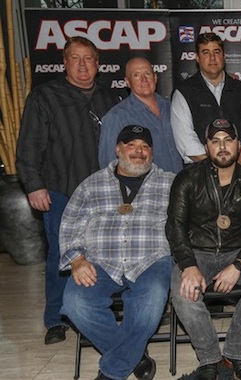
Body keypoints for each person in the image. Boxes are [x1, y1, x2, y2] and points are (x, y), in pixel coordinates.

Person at [16, 36, 120, 345]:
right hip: (63, 192)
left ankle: (97, 308)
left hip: (106, 195)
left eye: (89, 58)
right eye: (76, 58)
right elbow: (29, 146)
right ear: (65, 62)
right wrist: (34, 186)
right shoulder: (45, 96)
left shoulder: (110, 97)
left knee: (106, 254)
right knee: (61, 257)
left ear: (98, 63)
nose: (83, 65)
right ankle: (56, 319)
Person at [59, 125, 174, 380]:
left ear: (152, 153)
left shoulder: (170, 183)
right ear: (118, 149)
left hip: (151, 259)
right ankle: (134, 355)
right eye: (131, 145)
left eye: (145, 147)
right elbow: (70, 224)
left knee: (152, 300)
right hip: (101, 261)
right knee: (75, 302)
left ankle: (113, 371)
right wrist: (77, 259)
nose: (139, 152)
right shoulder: (92, 184)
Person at [167, 119, 241, 380]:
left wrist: (238, 265)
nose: (223, 146)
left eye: (228, 140)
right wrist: (188, 265)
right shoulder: (187, 178)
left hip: (237, 251)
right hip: (196, 252)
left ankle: (236, 352)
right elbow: (175, 227)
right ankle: (209, 358)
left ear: (239, 145)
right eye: (216, 141)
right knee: (184, 292)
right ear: (207, 145)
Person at [170, 32, 241, 166]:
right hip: (200, 177)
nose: (212, 58)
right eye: (206, 52)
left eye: (217, 52)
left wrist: (233, 168)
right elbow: (187, 142)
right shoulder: (183, 93)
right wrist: (217, 170)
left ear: (224, 56)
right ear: (197, 57)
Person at [99, 57, 182, 173]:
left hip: (181, 186)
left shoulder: (173, 107)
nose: (144, 79)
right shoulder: (116, 117)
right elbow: (108, 167)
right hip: (145, 190)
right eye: (136, 75)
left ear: (155, 77)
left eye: (147, 74)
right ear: (127, 82)